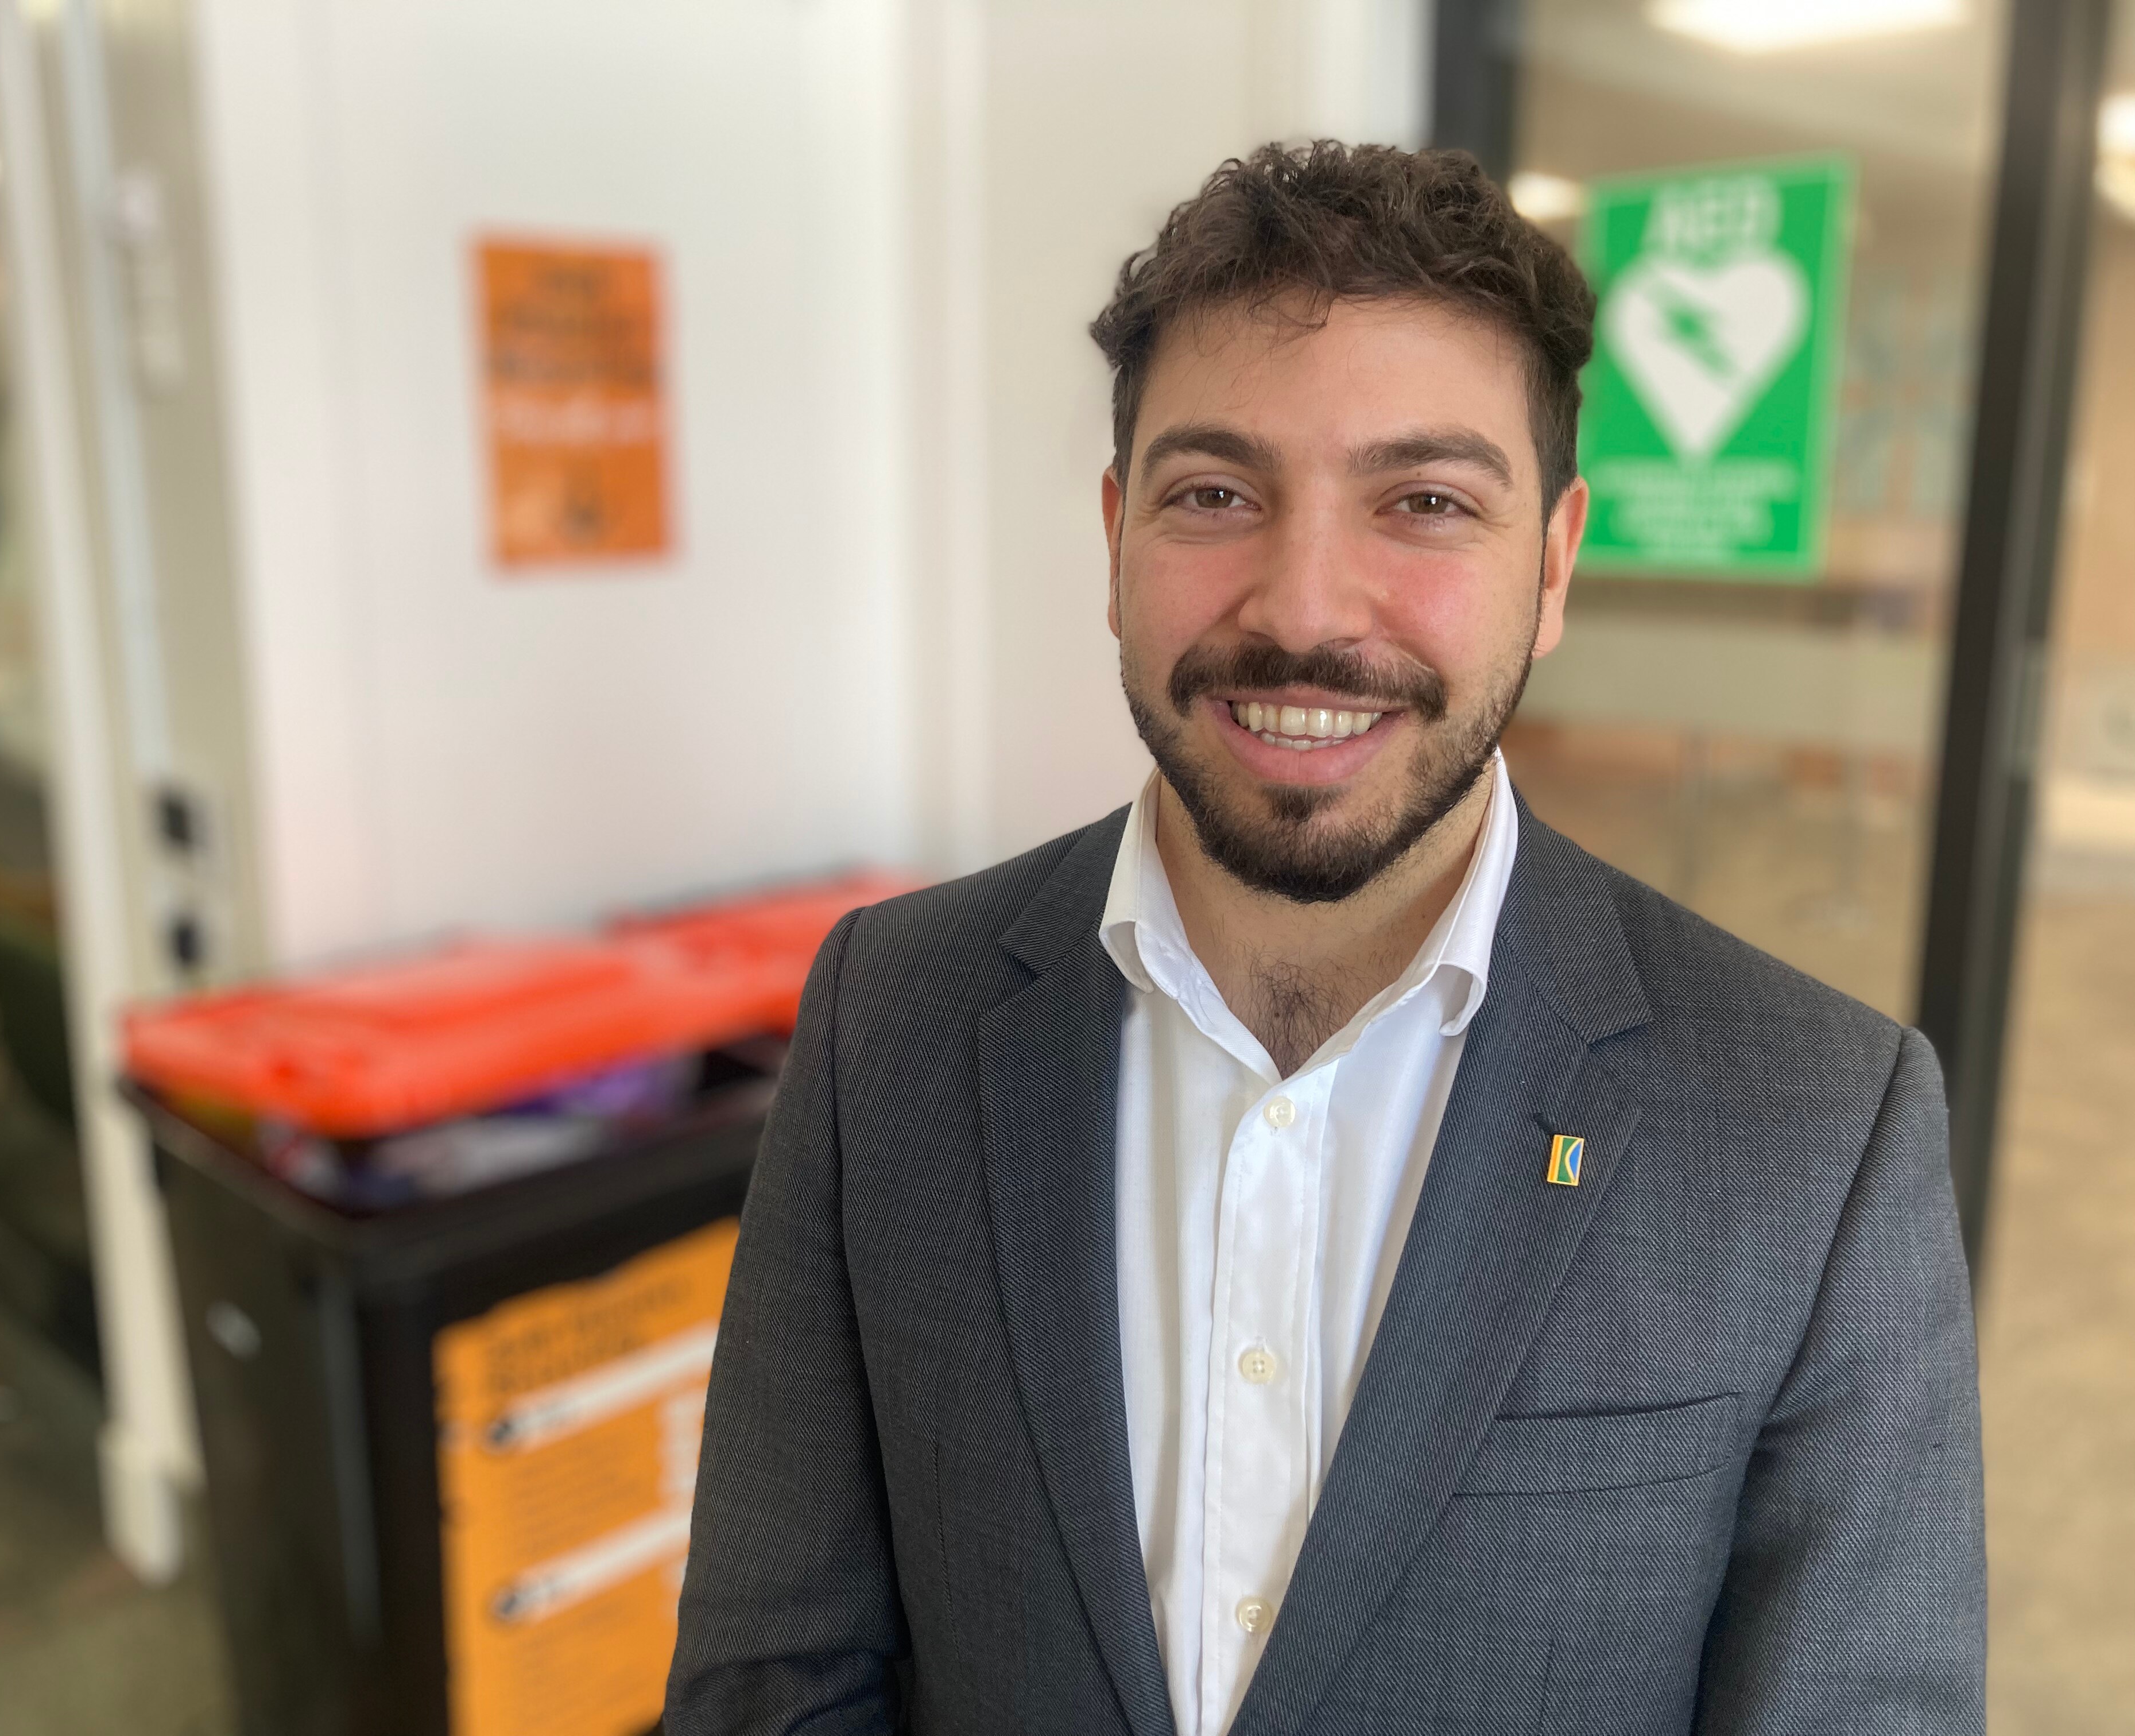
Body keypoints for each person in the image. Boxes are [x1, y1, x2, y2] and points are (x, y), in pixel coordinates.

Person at [664, 142, 1982, 1736]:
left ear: (1554, 563)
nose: (1304, 607)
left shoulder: (1817, 1122)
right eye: (1216, 494)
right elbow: (772, 1682)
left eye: (1425, 501)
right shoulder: (892, 1014)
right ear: (1114, 536)